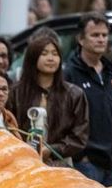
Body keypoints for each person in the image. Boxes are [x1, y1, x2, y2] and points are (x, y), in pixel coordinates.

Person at [64, 13, 112, 187]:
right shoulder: (70, 74)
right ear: (81, 39)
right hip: (88, 163)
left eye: (104, 35)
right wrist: (80, 154)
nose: (101, 39)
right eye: (95, 35)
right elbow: (63, 118)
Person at [9, 35, 88, 167]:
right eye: (44, 54)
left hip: (60, 164)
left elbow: (79, 136)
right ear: (32, 58)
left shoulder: (74, 94)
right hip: (22, 162)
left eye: (55, 54)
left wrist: (52, 150)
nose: (51, 58)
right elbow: (9, 127)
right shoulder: (15, 92)